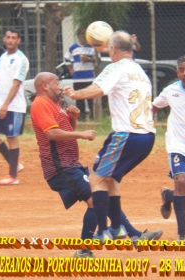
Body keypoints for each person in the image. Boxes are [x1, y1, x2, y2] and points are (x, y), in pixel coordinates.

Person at [31, 72, 162, 258]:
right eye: (56, 83)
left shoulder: (54, 104)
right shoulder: (40, 104)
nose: (60, 87)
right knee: (95, 200)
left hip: (70, 164)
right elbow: (52, 135)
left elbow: (63, 130)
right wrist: (82, 134)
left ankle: (135, 236)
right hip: (60, 167)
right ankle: (85, 250)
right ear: (45, 86)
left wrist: (72, 120)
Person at [64, 31, 157, 243]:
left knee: (96, 179)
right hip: (147, 137)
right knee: (111, 179)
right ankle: (117, 228)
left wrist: (76, 94)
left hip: (127, 135)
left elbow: (99, 88)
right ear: (131, 48)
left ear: (112, 49)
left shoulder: (116, 67)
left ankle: (103, 232)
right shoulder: (139, 70)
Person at [152, 55, 185, 242]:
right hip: (178, 146)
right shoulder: (170, 91)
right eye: (181, 70)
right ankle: (182, 234)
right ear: (177, 72)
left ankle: (167, 196)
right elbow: (153, 108)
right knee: (180, 180)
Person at [0, 29, 29, 185]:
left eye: (14, 38)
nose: (10, 40)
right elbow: (2, 76)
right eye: (8, 37)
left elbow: (16, 84)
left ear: (18, 41)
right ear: (4, 39)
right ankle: (15, 164)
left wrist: (6, 105)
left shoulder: (21, 59)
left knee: (11, 138)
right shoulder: (3, 57)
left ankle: (13, 177)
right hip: (0, 105)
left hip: (13, 106)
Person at [64, 28, 97, 122]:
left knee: (90, 98)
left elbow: (98, 59)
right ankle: (81, 117)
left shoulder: (92, 47)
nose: (84, 38)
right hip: (78, 78)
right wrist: (70, 69)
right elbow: (66, 59)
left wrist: (89, 59)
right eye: (82, 35)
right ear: (78, 36)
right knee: (79, 98)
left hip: (89, 77)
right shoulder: (73, 48)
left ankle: (92, 117)